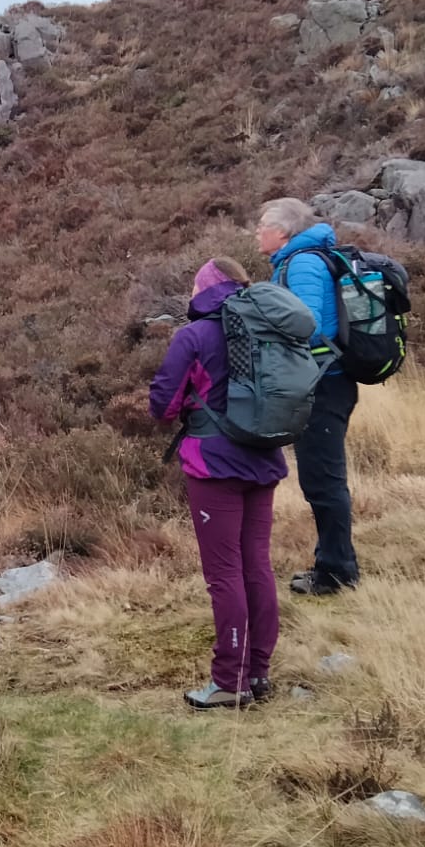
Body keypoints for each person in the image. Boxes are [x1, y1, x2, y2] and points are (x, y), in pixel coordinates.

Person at [150, 258, 289, 709]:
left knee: (224, 573)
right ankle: (258, 673)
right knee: (257, 566)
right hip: (264, 458)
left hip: (215, 467)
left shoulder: (193, 335)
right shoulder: (268, 326)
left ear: (206, 288)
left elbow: (163, 405)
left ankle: (230, 681)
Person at [257, 197, 357, 596]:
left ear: (283, 232)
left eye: (263, 224)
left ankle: (336, 572)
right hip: (322, 382)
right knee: (322, 479)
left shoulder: (302, 263)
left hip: (324, 384)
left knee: (324, 481)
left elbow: (310, 326)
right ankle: (333, 564)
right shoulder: (297, 261)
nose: (257, 231)